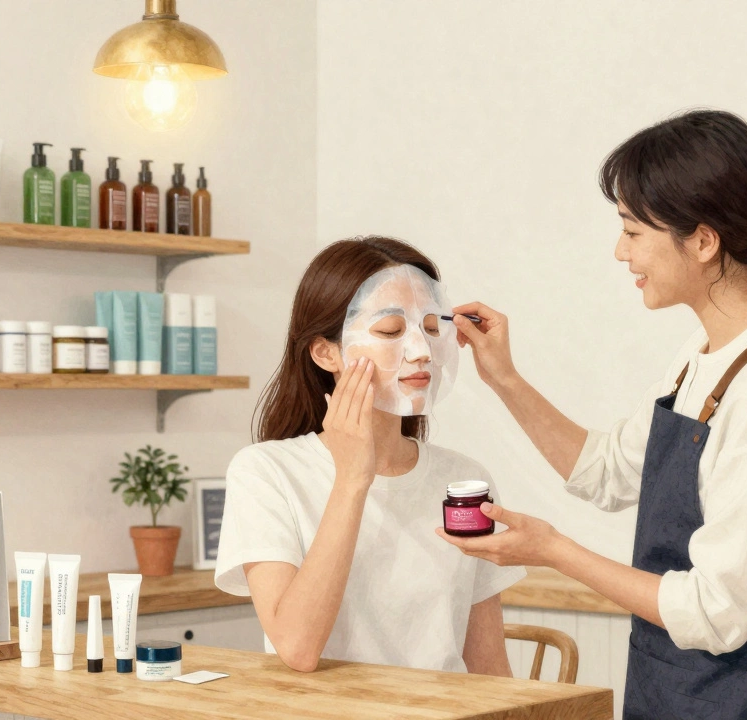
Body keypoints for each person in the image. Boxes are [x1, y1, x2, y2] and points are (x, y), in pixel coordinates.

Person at [438, 110, 747, 719]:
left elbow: (716, 610)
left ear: (704, 241)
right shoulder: (705, 356)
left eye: (633, 231)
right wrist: (503, 378)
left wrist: (554, 550)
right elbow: (606, 470)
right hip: (678, 691)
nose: (619, 251)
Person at [215, 237, 525, 674]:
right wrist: (352, 481)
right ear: (326, 353)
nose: (420, 351)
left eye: (431, 329)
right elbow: (298, 648)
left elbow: (489, 669)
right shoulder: (265, 473)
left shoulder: (464, 480)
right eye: (390, 332)